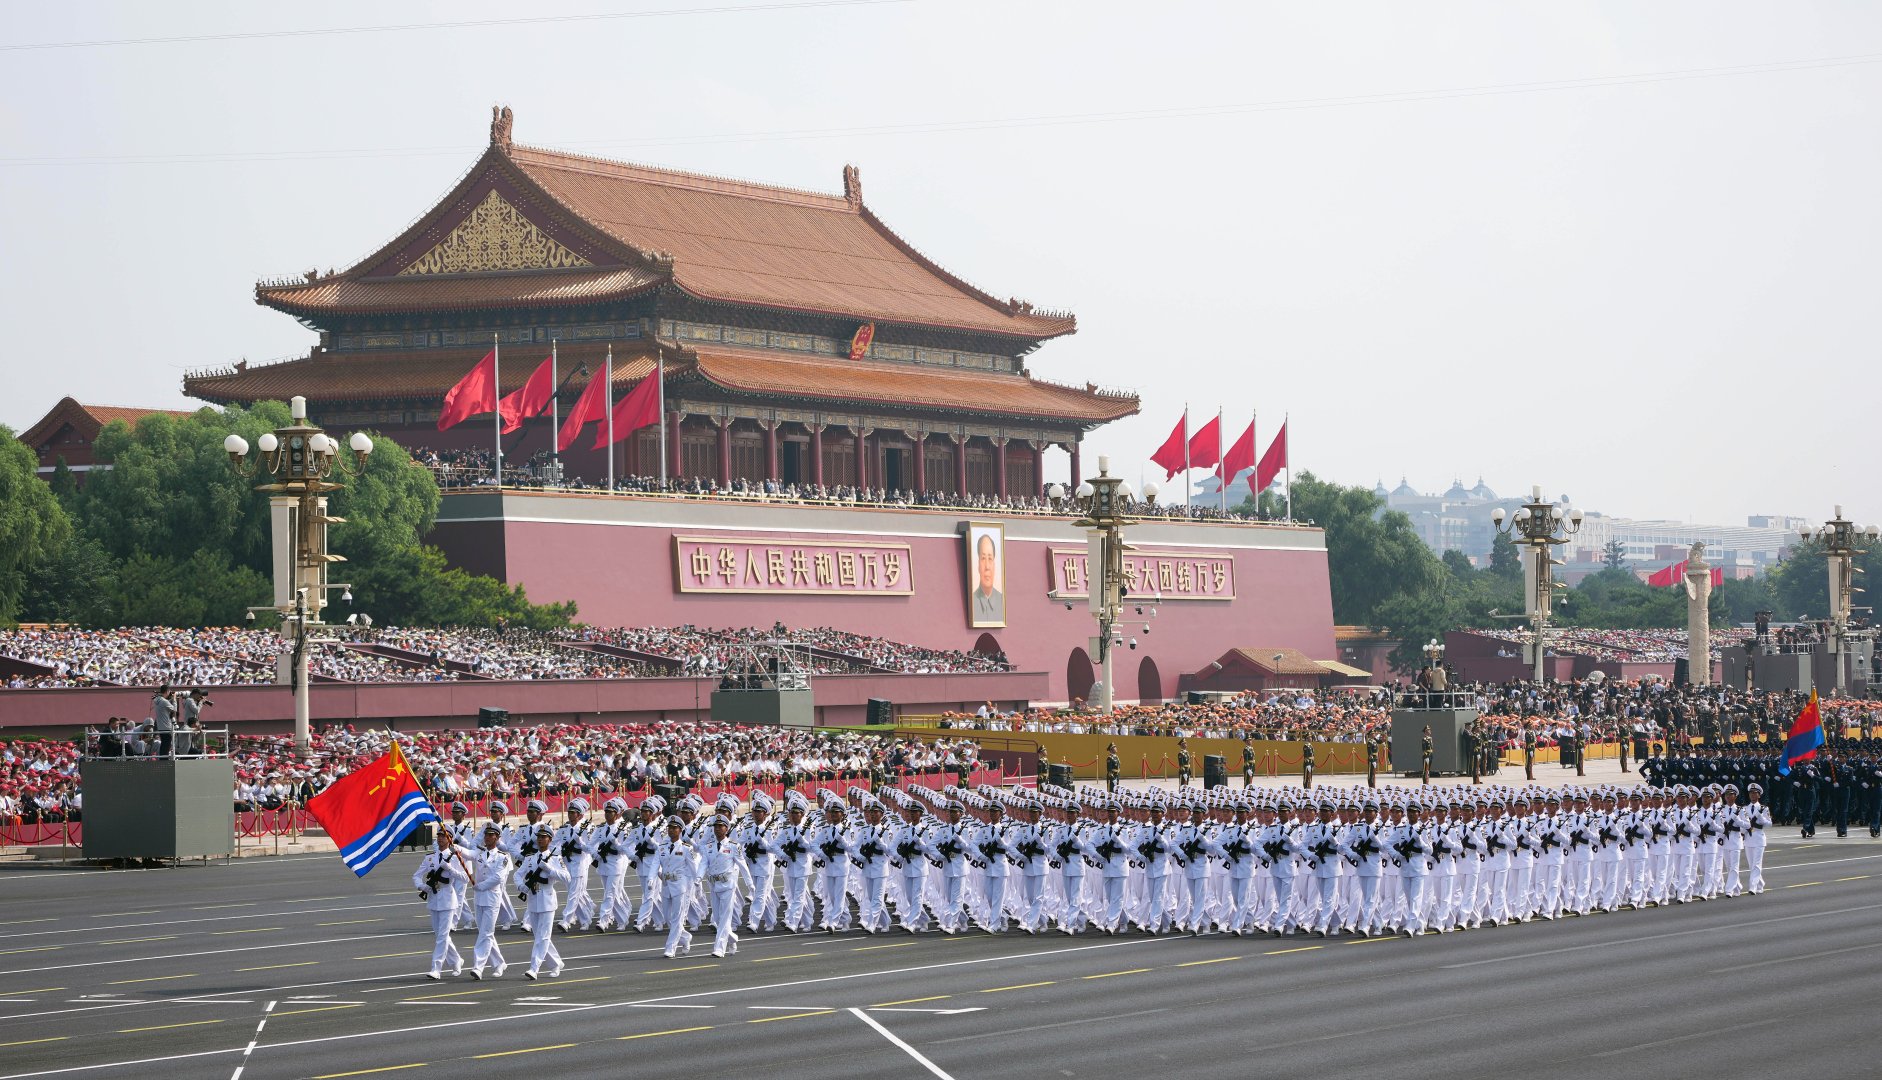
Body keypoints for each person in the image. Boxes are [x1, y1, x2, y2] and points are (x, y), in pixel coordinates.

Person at [511, 823, 568, 979]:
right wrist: (521, 887)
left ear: (550, 840)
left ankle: (534, 968)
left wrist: (550, 869)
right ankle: (556, 963)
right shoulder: (530, 858)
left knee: (542, 937)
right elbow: (517, 875)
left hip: (547, 900)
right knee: (540, 937)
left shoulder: (555, 858)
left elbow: (567, 877)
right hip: (533, 899)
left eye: (544, 837)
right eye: (539, 837)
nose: (540, 840)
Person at [413, 830, 468, 979]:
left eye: (443, 836)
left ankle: (436, 968)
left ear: (449, 839)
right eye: (439, 836)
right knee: (440, 935)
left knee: (443, 936)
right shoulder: (430, 857)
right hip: (433, 898)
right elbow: (416, 875)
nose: (440, 838)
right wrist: (422, 886)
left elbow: (465, 877)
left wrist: (449, 868)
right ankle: (456, 959)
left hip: (448, 899)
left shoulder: (455, 857)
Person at [697, 814, 753, 957]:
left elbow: (743, 866)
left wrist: (750, 884)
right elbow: (704, 863)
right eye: (715, 826)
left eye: (720, 826)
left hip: (728, 885)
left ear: (726, 829)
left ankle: (719, 948)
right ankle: (732, 939)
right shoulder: (708, 847)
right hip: (714, 884)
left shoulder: (734, 846)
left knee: (725, 918)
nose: (717, 829)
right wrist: (697, 878)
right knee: (717, 918)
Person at [468, 823, 512, 979]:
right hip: (479, 898)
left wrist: (481, 886)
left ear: (497, 838)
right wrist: (454, 846)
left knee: (486, 933)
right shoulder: (480, 853)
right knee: (485, 932)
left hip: (492, 897)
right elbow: (467, 853)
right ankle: (499, 963)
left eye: (491, 835)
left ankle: (478, 966)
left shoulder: (503, 857)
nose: (487, 837)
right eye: (486, 835)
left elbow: (498, 877)